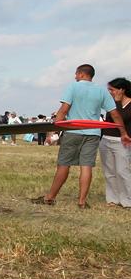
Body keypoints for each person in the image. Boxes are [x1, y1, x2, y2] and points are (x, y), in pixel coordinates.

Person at [34, 64, 131, 208]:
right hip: (93, 133)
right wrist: (123, 133)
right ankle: (82, 201)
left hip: (74, 132)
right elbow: (115, 115)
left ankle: (50, 197)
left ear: (81, 74)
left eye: (76, 74)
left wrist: (54, 131)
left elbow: (63, 109)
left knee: (64, 165)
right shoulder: (100, 91)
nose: (75, 76)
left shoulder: (73, 87)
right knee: (86, 167)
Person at [99, 77, 131, 208]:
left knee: (123, 171)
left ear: (121, 90)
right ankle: (112, 199)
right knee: (109, 172)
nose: (110, 92)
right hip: (106, 140)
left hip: (123, 142)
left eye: (111, 89)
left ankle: (127, 200)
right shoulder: (111, 104)